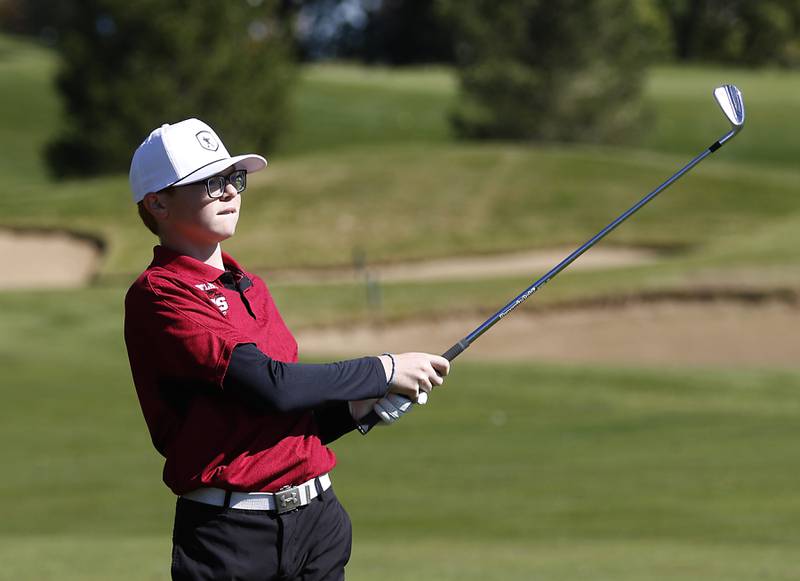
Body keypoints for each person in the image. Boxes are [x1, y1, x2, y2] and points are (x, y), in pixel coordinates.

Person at [123, 118, 450, 581]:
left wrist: (358, 408)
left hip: (317, 522)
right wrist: (383, 369)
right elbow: (270, 385)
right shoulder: (159, 295)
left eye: (233, 179)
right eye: (210, 182)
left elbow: (283, 423)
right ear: (158, 202)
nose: (231, 192)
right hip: (232, 536)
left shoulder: (250, 287)